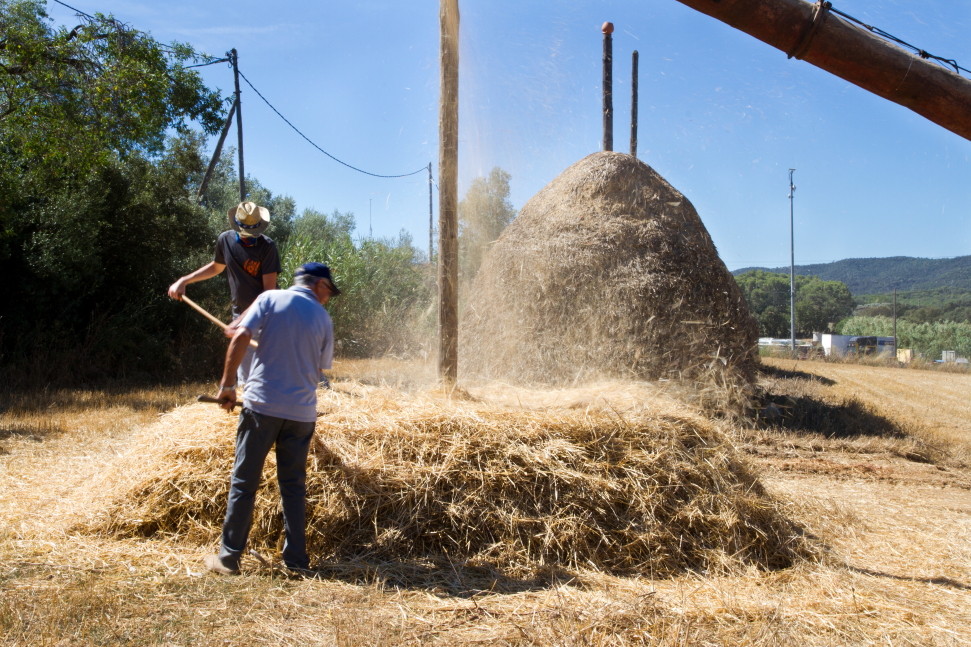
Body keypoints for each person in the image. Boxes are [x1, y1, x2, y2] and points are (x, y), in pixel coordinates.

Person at [203, 262, 340, 576]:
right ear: (318, 284)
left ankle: (228, 559)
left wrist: (228, 386)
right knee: (293, 487)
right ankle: (296, 561)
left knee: (244, 483)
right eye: (329, 291)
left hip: (262, 408)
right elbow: (319, 371)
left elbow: (240, 336)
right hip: (302, 414)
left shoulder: (269, 299)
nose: (328, 297)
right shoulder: (323, 318)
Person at [168, 201, 280, 383]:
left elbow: (268, 293)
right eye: (246, 235)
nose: (249, 239)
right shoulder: (225, 240)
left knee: (272, 375)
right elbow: (216, 267)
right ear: (236, 227)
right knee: (246, 380)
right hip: (241, 314)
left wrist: (239, 320)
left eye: (253, 235)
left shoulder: (267, 246)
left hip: (266, 317)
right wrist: (183, 280)